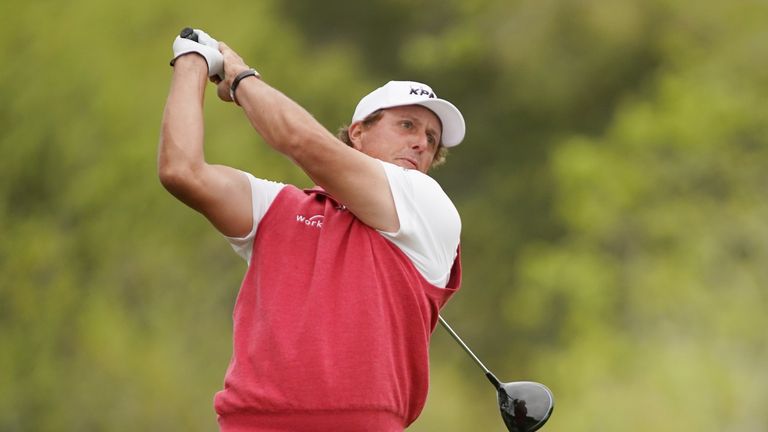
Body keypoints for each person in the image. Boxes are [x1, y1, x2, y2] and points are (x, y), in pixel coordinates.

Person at [158, 28, 466, 432]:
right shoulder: (278, 208)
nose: (421, 144)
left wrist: (239, 78)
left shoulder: (427, 203)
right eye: (407, 125)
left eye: (431, 138)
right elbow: (182, 172)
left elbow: (299, 140)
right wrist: (191, 61)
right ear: (358, 132)